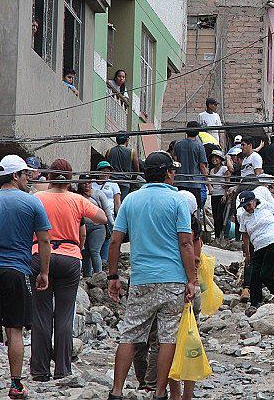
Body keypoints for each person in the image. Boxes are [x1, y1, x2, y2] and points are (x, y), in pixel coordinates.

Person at [106, 151, 197, 400]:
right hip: (173, 280)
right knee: (168, 337)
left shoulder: (131, 200)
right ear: (168, 172)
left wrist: (112, 276)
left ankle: (116, 392)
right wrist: (193, 279)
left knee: (130, 335)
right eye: (173, 170)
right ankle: (159, 392)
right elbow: (186, 243)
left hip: (142, 279)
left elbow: (115, 242)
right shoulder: (178, 201)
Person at [0, 155, 53, 399]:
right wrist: (44, 271)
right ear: (15, 176)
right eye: (26, 174)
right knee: (14, 329)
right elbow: (45, 239)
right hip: (18, 272)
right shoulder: (32, 203)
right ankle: (15, 384)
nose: (29, 179)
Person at [32, 160, 107, 381]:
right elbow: (102, 217)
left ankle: (39, 371)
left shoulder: (38, 199)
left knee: (41, 314)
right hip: (70, 257)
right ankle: (63, 369)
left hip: (39, 255)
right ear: (70, 177)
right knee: (64, 315)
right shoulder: (77, 200)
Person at [237, 190, 274, 307]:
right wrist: (247, 253)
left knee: (266, 274)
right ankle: (255, 303)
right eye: (244, 206)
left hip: (273, 242)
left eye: (249, 205)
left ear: (254, 201)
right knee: (254, 277)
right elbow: (244, 235)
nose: (247, 208)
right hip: (258, 247)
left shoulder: (265, 206)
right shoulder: (243, 216)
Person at [76, 176, 114, 277]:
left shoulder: (98, 194)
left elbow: (107, 211)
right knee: (85, 253)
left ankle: (99, 276)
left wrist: (113, 225)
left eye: (89, 182)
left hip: (97, 227)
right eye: (84, 183)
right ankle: (87, 276)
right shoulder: (77, 196)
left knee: (94, 251)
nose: (86, 184)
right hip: (83, 227)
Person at [173, 121, 210, 208]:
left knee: (179, 208)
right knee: (194, 209)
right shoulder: (199, 146)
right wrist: (208, 183)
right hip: (194, 184)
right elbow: (202, 166)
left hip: (179, 182)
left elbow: (175, 161)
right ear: (198, 132)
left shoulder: (178, 144)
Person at [105, 134, 141, 199]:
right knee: (122, 205)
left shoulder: (109, 151)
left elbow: (105, 167)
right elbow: (136, 170)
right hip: (125, 183)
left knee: (111, 204)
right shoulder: (132, 152)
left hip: (112, 182)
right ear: (127, 140)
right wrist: (132, 181)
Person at [209, 150, 232, 241]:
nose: (214, 159)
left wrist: (225, 195)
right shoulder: (211, 170)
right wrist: (210, 188)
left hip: (222, 195)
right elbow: (209, 182)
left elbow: (228, 181)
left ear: (220, 159)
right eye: (213, 158)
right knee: (215, 216)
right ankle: (217, 237)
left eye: (216, 157)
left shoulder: (224, 169)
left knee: (220, 216)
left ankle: (223, 236)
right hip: (214, 194)